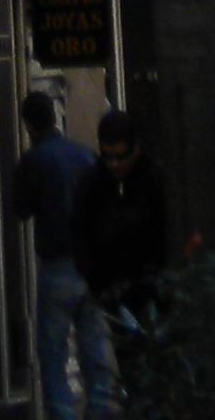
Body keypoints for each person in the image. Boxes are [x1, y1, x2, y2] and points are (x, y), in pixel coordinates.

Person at [14, 88, 107, 420]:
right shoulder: (84, 155)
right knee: (92, 343)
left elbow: (20, 208)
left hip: (56, 264)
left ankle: (62, 412)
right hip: (90, 263)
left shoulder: (34, 161)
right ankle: (99, 407)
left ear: (28, 124)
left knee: (53, 350)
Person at [71, 107, 171, 392]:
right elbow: (80, 232)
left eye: (121, 157)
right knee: (130, 364)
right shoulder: (94, 183)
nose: (114, 164)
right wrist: (99, 285)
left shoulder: (152, 180)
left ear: (135, 149)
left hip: (151, 288)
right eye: (108, 156)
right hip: (114, 292)